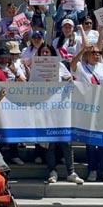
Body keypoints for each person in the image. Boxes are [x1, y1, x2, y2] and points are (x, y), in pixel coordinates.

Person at [37, 46, 83, 184]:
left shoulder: (60, 65)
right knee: (50, 143)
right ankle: (52, 171)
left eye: (47, 52)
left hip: (61, 108)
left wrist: (68, 80)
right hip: (45, 109)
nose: (45, 54)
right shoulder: (36, 66)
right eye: (43, 52)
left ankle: (71, 172)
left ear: (52, 53)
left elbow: (69, 78)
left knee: (66, 142)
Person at [70, 38, 103, 183]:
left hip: (102, 107)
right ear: (87, 55)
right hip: (87, 109)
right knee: (90, 142)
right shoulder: (81, 66)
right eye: (93, 53)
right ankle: (92, 169)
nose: (97, 55)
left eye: (99, 53)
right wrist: (82, 50)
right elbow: (72, 65)